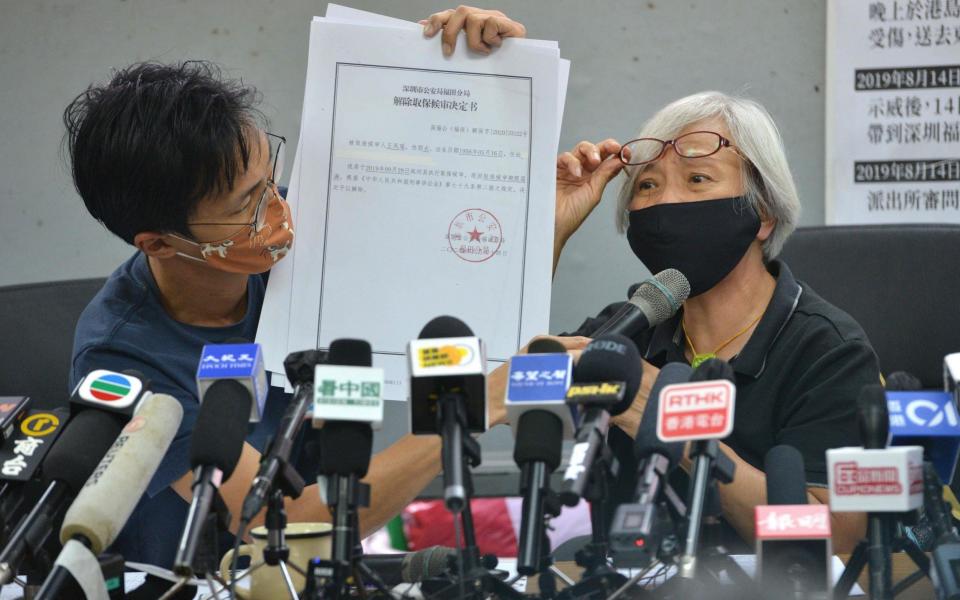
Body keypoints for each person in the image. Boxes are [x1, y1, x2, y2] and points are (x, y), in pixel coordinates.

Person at [64, 60, 580, 567]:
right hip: (215, 577)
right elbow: (282, 522)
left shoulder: (284, 232)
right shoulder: (124, 361)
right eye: (247, 204)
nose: (280, 209)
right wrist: (465, 408)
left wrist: (465, 60)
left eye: (273, 177)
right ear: (159, 243)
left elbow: (477, 307)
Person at [423, 7, 875, 553]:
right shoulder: (622, 335)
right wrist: (547, 232)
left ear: (763, 214)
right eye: (647, 186)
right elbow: (478, 385)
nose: (665, 201)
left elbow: (839, 534)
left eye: (698, 179)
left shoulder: (827, 348)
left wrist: (655, 408)